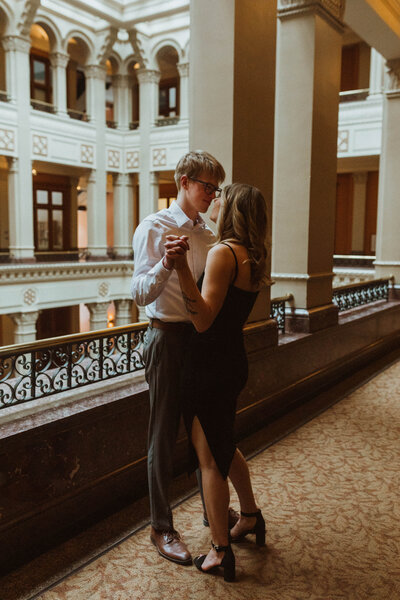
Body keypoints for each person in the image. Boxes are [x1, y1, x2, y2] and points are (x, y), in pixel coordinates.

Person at [165, 183, 269, 582]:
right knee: (224, 444)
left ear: (233, 209)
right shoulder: (252, 255)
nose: (215, 200)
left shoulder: (224, 253)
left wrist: (179, 270)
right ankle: (251, 516)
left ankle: (220, 551)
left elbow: (203, 320)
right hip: (231, 361)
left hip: (208, 365)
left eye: (222, 195)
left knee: (209, 460)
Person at [130, 150, 226, 566]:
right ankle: (161, 526)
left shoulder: (208, 233)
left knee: (203, 430)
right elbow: (138, 295)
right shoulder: (154, 227)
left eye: (216, 188)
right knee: (163, 436)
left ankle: (213, 512)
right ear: (184, 182)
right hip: (166, 338)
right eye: (208, 186)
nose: (212, 194)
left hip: (200, 341)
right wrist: (167, 265)